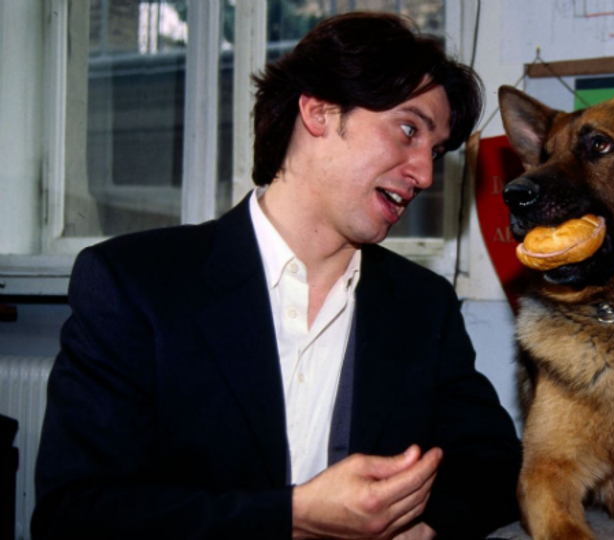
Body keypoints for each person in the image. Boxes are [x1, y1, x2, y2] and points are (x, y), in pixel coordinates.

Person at [32, 12, 521, 540]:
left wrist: (427, 525)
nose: (425, 174)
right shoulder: (133, 285)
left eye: (436, 151)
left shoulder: (424, 305)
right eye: (408, 130)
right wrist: (293, 516)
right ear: (318, 110)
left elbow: (495, 465)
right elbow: (74, 514)